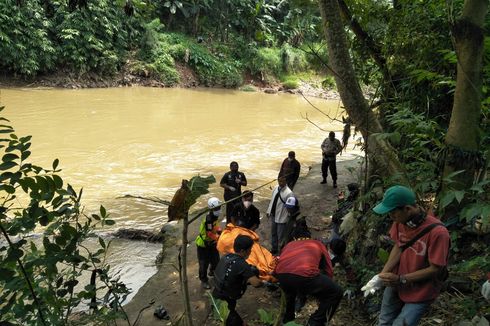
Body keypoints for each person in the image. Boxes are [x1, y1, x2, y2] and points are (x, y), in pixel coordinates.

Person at [362, 185, 450, 326]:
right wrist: (381, 275)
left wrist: (401, 279)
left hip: (421, 291)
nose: (391, 218)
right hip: (396, 284)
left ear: (407, 209)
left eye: (393, 213)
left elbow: (435, 269)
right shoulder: (400, 222)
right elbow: (399, 246)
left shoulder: (438, 232)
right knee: (384, 321)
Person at [274, 223, 343, 326]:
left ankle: (288, 320)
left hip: (282, 275)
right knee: (336, 292)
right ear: (309, 237)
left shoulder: (289, 244)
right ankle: (315, 322)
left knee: (290, 292)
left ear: (294, 237)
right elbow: (328, 269)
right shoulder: (317, 244)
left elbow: (280, 262)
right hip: (304, 275)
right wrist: (325, 288)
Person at [213, 235, 264, 326]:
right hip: (225, 302)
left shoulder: (227, 256)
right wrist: (263, 282)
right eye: (250, 249)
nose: (251, 251)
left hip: (216, 293)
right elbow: (256, 283)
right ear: (243, 251)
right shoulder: (242, 264)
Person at [195, 197, 222, 289]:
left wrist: (219, 230)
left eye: (219, 208)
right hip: (203, 245)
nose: (218, 210)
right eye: (216, 208)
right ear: (211, 209)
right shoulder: (209, 219)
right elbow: (209, 233)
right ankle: (203, 280)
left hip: (212, 243)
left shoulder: (215, 217)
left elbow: (215, 227)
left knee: (216, 260)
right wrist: (219, 238)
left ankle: (212, 271)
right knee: (203, 264)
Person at [266, 176, 294, 255]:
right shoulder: (275, 188)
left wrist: (288, 217)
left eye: (282, 181)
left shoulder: (289, 193)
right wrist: (269, 210)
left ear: (286, 182)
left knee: (280, 236)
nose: (280, 183)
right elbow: (272, 200)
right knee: (273, 233)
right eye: (279, 181)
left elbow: (290, 207)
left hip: (282, 217)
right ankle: (274, 248)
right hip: (274, 215)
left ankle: (281, 252)